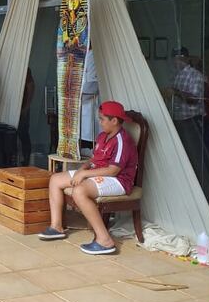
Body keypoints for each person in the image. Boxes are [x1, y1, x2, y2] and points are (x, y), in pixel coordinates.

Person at [39, 101, 138, 255]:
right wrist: (82, 169)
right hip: (97, 172)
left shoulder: (122, 140)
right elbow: (94, 160)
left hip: (119, 180)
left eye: (102, 119)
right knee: (55, 180)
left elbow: (113, 171)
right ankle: (56, 227)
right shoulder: (102, 136)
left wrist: (84, 175)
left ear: (114, 121)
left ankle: (104, 240)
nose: (100, 122)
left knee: (79, 191)